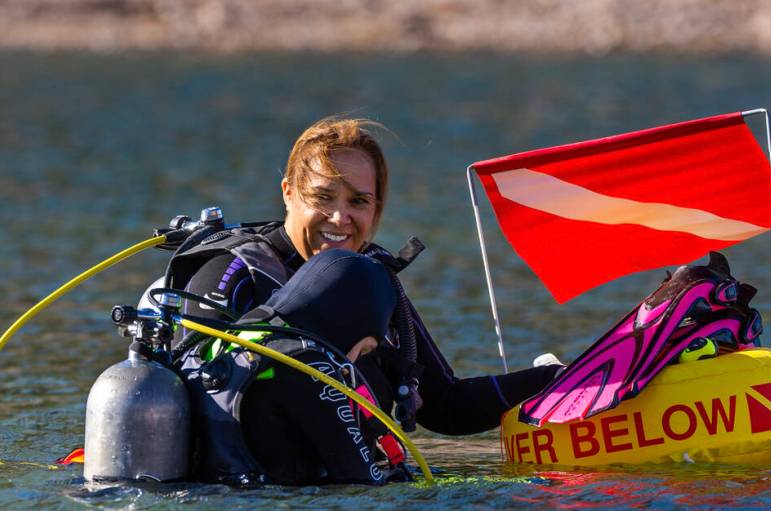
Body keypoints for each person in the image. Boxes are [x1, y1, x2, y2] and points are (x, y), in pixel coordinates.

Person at [163, 116, 563, 442]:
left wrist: (562, 380)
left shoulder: (373, 278)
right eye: (323, 197)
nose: (340, 219)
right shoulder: (234, 270)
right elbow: (200, 391)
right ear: (288, 193)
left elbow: (445, 407)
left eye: (358, 201)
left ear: (377, 209)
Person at [179, 249, 404, 486]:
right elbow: (360, 475)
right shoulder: (312, 366)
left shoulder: (236, 336)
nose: (355, 360)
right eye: (364, 348)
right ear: (348, 323)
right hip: (264, 503)